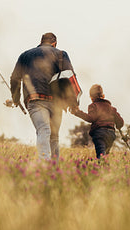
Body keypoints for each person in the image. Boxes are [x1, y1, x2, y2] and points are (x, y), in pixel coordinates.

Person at [10, 32, 80, 160]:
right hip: (57, 102)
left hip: (35, 99)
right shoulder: (61, 54)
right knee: (54, 136)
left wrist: (16, 99)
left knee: (43, 130)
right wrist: (74, 104)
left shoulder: (25, 56)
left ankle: (45, 165)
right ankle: (52, 167)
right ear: (55, 43)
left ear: (41, 41)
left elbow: (15, 78)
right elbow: (70, 78)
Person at [70, 84, 124, 159]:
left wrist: (77, 112)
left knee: (101, 154)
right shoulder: (111, 108)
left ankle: (101, 167)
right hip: (111, 134)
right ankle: (105, 168)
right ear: (103, 95)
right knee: (106, 154)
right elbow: (120, 122)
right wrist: (118, 125)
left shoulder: (93, 106)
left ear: (91, 97)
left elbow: (91, 118)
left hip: (99, 133)